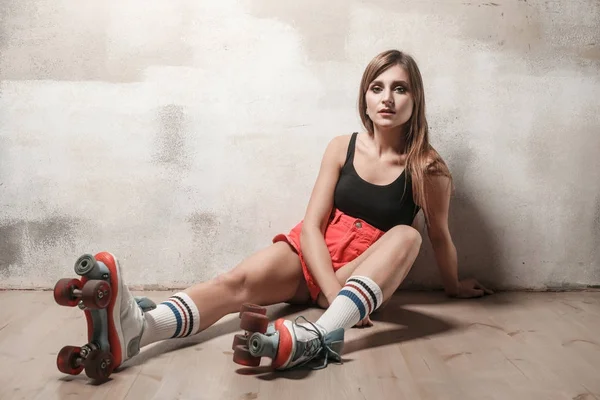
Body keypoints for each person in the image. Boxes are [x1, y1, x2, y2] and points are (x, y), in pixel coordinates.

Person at [61, 49, 493, 376]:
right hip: (315, 256)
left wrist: (453, 288)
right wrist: (323, 288)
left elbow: (439, 236)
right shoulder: (340, 147)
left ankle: (321, 335)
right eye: (377, 88)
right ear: (363, 98)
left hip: (361, 273)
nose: (387, 99)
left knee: (407, 235)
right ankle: (141, 326)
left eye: (400, 89)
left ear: (416, 99)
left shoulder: (429, 169)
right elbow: (311, 227)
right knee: (234, 282)